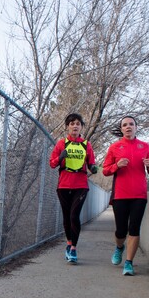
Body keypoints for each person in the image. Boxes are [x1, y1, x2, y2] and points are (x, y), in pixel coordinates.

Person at [102, 115, 149, 276]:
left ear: (136, 127)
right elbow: (105, 170)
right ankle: (119, 247)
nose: (128, 127)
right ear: (121, 129)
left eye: (131, 124)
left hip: (139, 195)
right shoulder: (114, 147)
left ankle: (129, 263)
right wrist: (116, 166)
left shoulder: (145, 146)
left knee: (134, 228)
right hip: (120, 194)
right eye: (125, 125)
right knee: (121, 230)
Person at [49, 113, 97, 264]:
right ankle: (69, 243)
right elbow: (52, 163)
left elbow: (91, 163)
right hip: (63, 184)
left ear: (81, 126)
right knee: (66, 216)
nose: (75, 126)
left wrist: (93, 168)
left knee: (74, 216)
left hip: (81, 185)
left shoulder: (86, 145)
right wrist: (60, 157)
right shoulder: (61, 144)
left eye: (78, 123)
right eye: (72, 123)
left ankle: (74, 249)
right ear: (67, 127)